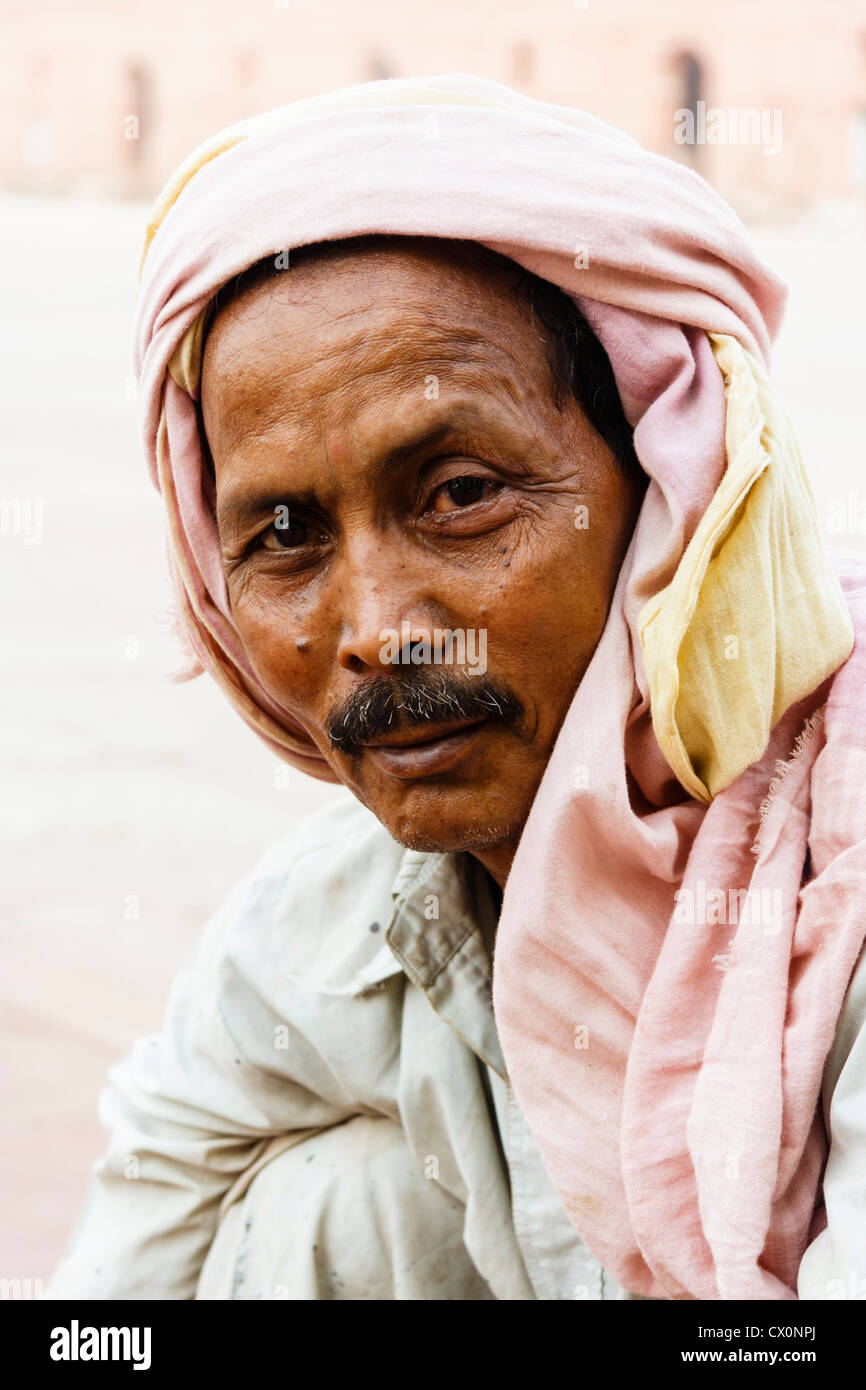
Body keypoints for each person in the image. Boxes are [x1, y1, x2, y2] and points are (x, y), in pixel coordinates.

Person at [47, 73, 866, 1301]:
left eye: (462, 494)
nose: (377, 633)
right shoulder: (324, 935)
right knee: (339, 1208)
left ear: (667, 499)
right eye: (283, 534)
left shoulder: (832, 872)